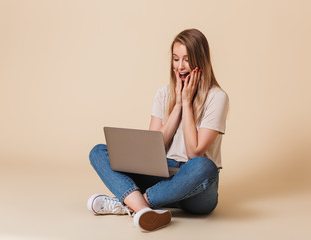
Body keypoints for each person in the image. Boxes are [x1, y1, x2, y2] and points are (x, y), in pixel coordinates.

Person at [87, 28, 229, 232]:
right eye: (175, 59)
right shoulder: (163, 94)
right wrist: (178, 105)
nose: (180, 66)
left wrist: (188, 104)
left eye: (187, 60)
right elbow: (153, 149)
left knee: (204, 165)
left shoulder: (217, 97)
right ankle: (145, 210)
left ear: (201, 61)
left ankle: (132, 204)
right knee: (98, 152)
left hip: (196, 188)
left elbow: (194, 152)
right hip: (163, 177)